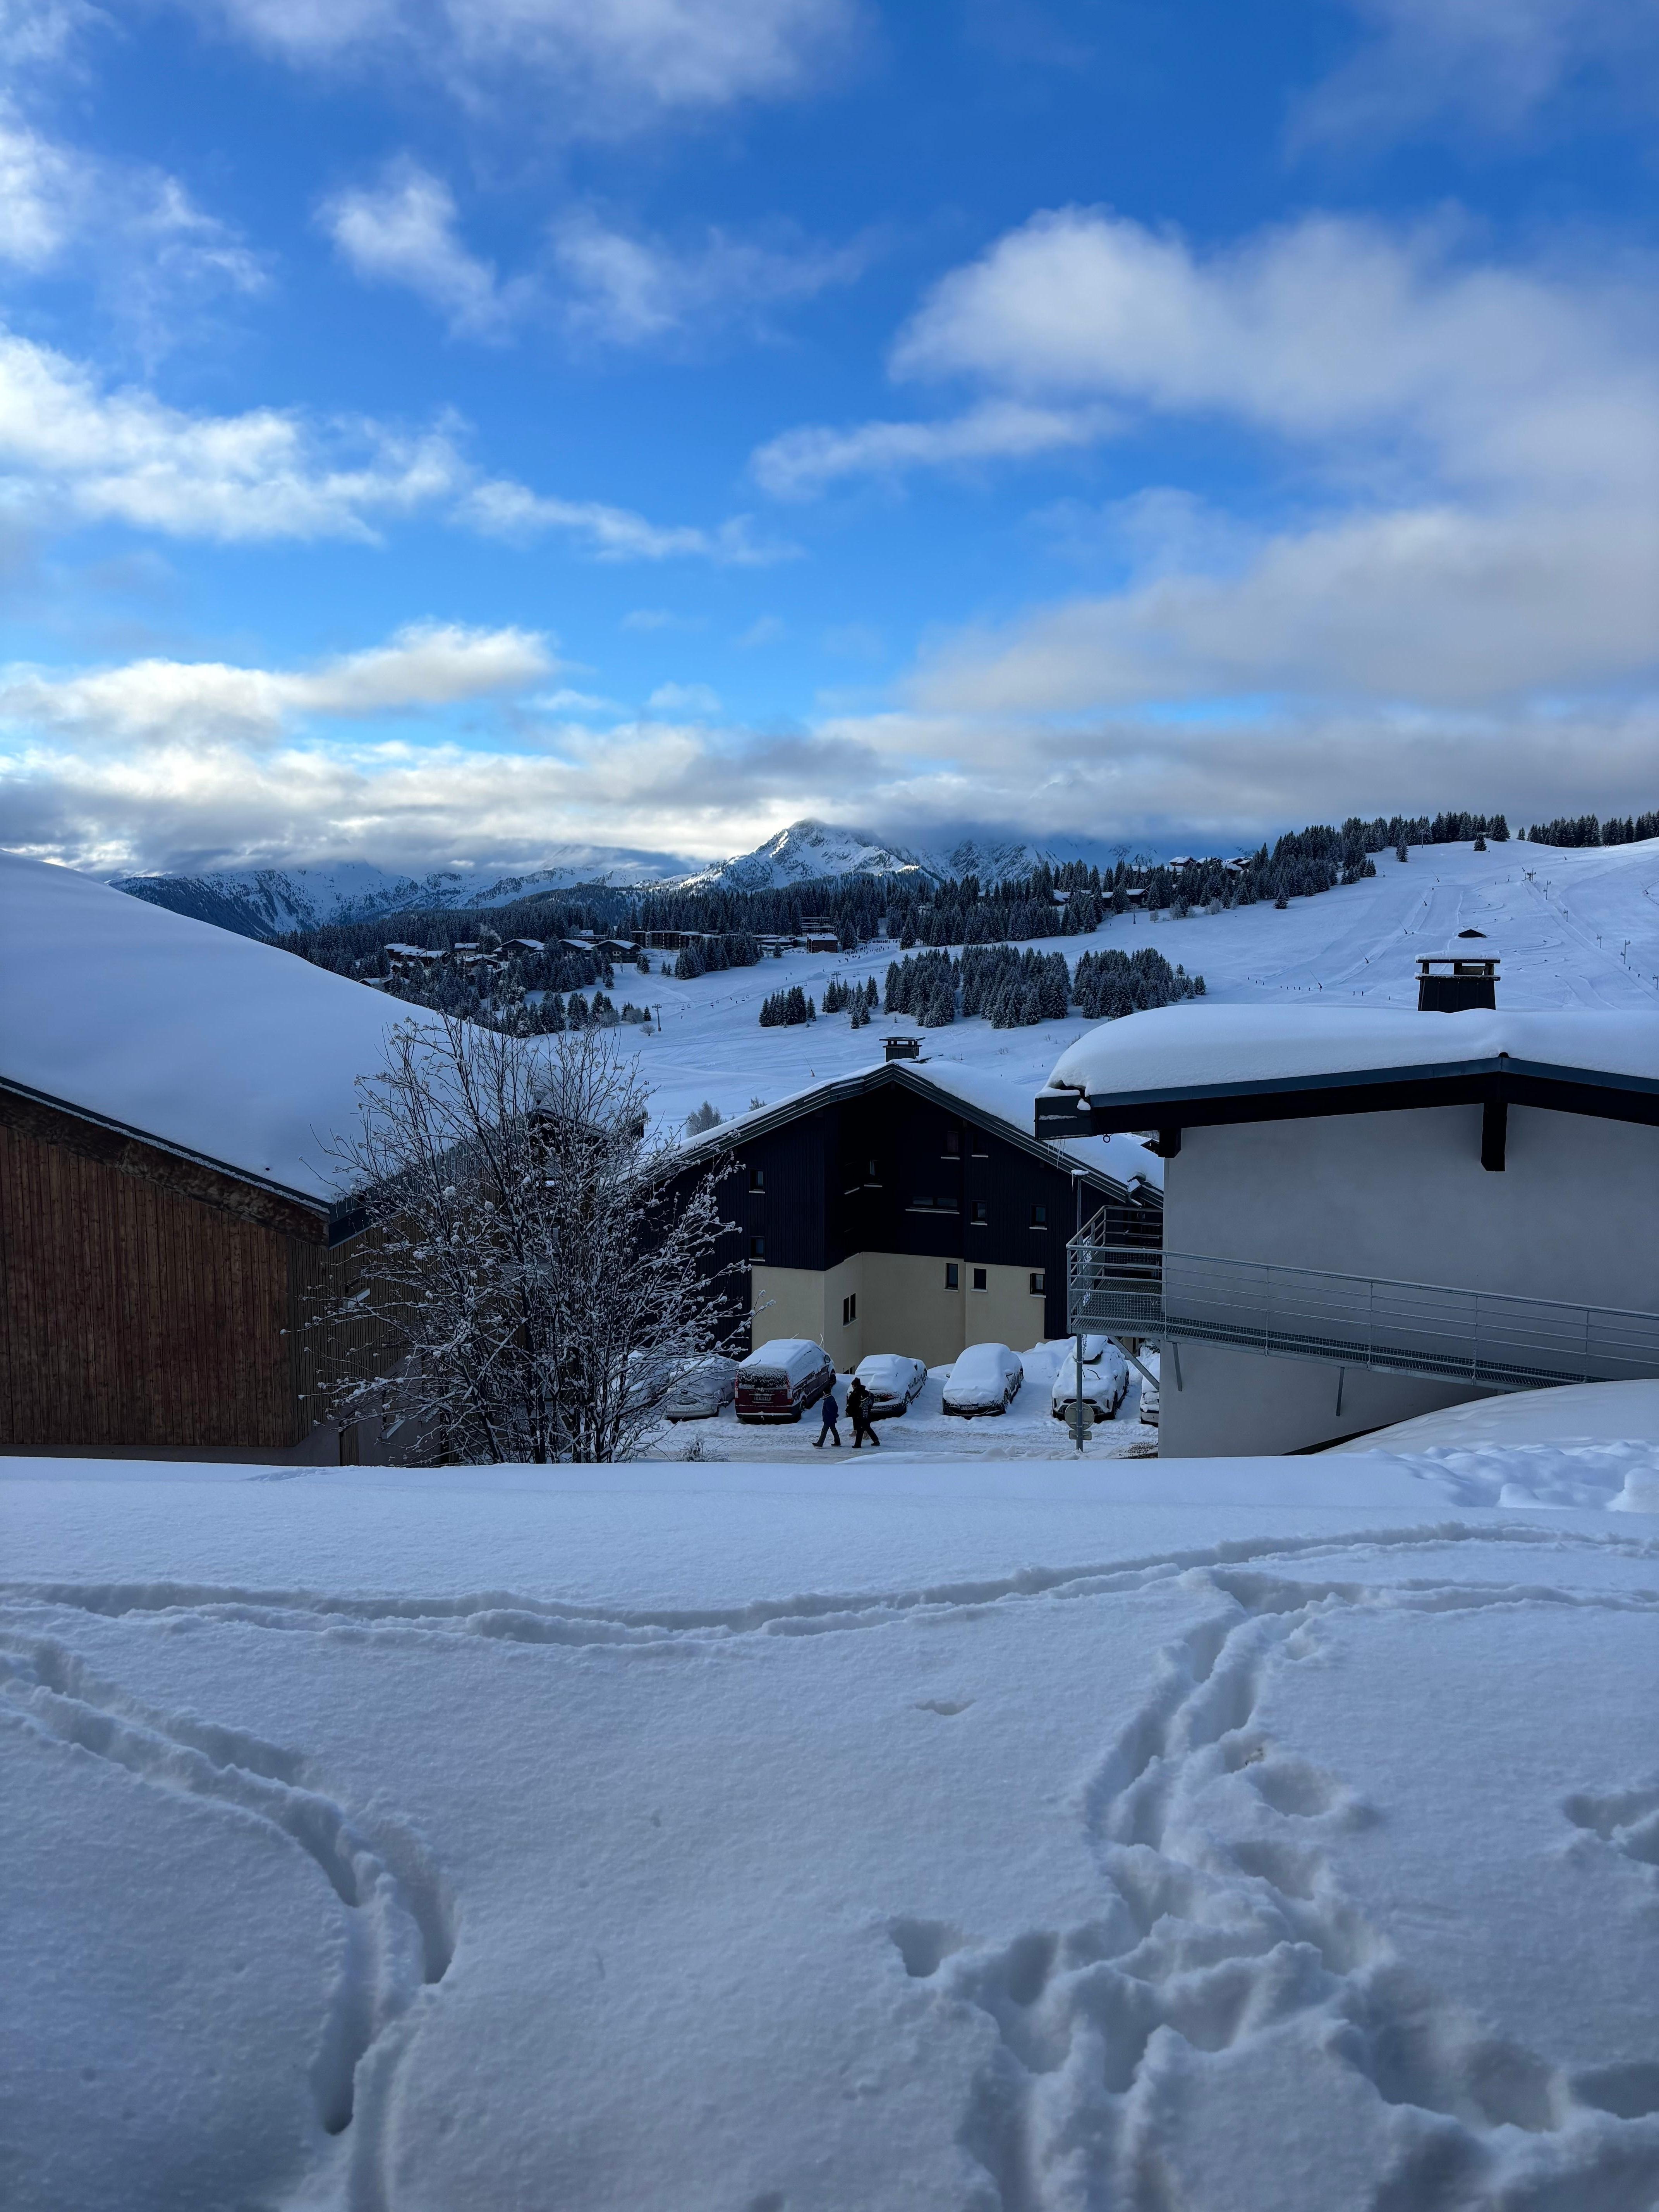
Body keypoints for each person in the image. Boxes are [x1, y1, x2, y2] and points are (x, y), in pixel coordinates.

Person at [848, 1376, 881, 1449]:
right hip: (867, 1416)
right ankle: (876, 1441)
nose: (853, 1387)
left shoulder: (859, 1397)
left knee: (861, 1430)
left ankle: (858, 1445)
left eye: (853, 1386)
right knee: (868, 1429)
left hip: (862, 1416)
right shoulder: (866, 1396)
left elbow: (856, 1406)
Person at [814, 1381, 841, 1448]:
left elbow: (830, 1410)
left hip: (828, 1419)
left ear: (825, 1393)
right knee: (833, 1430)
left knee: (824, 1431)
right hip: (831, 1418)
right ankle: (837, 1442)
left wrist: (830, 1416)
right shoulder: (831, 1398)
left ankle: (820, 1443)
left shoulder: (828, 1400)